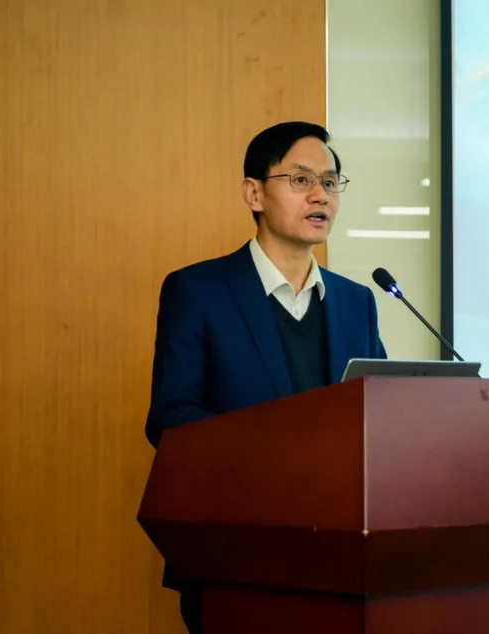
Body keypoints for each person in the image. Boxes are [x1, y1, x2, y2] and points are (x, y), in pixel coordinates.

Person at [144, 121, 388, 633]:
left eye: (330, 181)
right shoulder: (198, 291)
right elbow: (170, 419)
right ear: (254, 193)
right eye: (300, 180)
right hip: (236, 556)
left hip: (341, 557)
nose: (320, 195)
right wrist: (279, 450)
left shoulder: (356, 301)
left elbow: (382, 412)